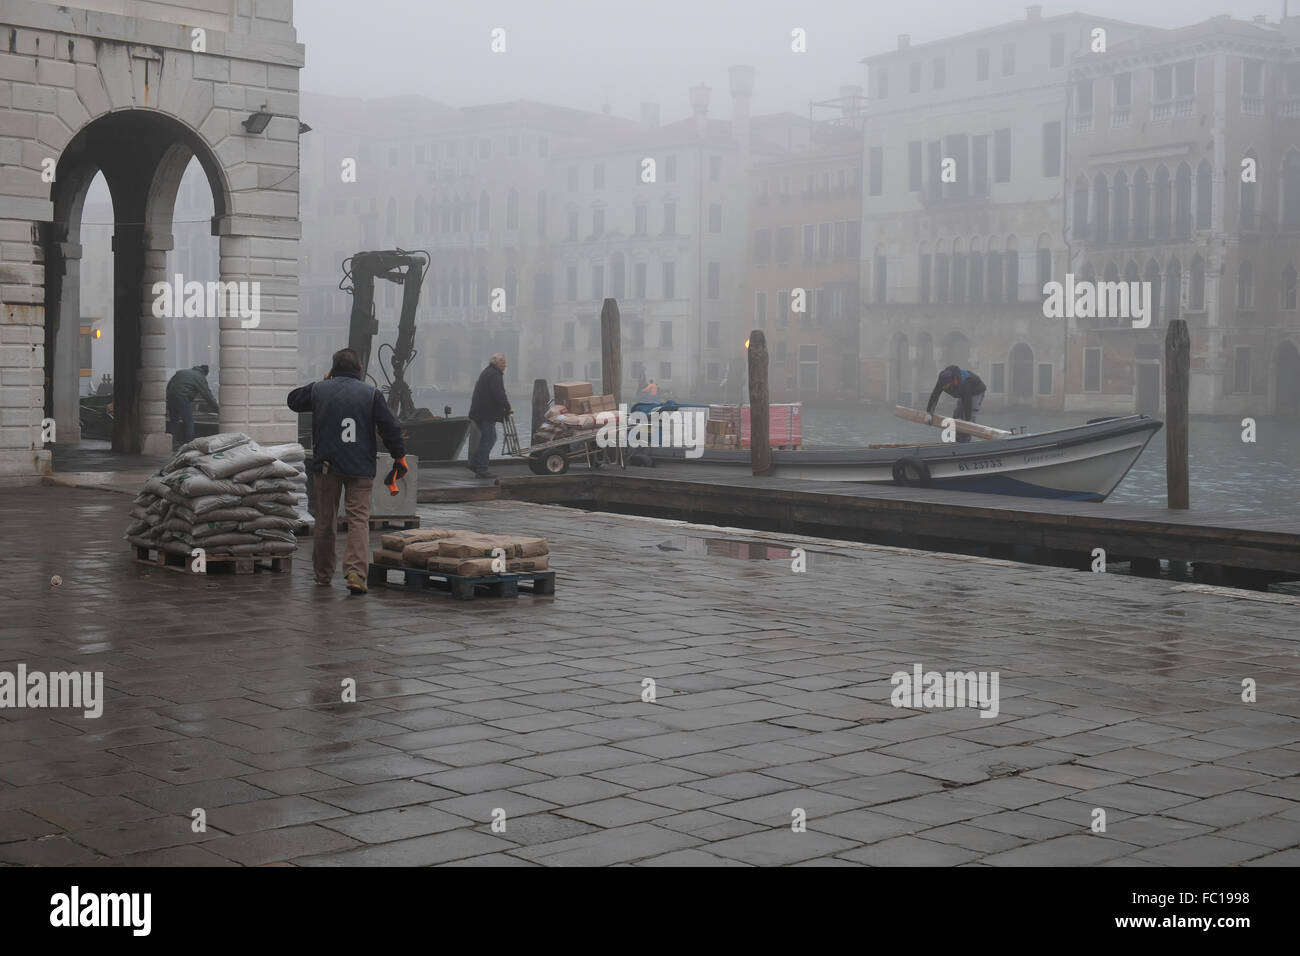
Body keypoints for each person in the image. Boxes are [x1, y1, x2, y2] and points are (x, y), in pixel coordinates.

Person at [288, 348, 407, 594]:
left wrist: (324, 381)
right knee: (358, 521)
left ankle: (323, 575)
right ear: (360, 369)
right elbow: (390, 428)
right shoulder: (371, 394)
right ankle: (355, 573)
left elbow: (293, 400)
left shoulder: (319, 390)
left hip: (326, 467)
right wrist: (399, 457)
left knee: (324, 521)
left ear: (333, 368)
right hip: (360, 467)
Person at [467, 353, 511, 479]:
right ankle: (481, 469)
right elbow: (499, 393)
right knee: (488, 440)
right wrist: (507, 407)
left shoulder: (488, 372)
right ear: (497, 363)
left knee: (490, 438)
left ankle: (475, 463)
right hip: (485, 414)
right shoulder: (495, 375)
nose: (505, 365)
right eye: (503, 362)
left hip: (480, 412)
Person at [925, 365, 987, 443]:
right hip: (963, 393)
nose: (943, 388)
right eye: (942, 386)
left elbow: (967, 403)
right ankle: (957, 440)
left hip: (976, 391)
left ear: (951, 382)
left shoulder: (964, 383)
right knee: (957, 413)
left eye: (945, 386)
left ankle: (965, 442)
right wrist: (929, 413)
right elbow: (935, 395)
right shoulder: (942, 381)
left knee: (970, 416)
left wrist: (967, 421)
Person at [166, 364, 218, 449]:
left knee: (174, 421)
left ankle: (173, 443)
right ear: (205, 373)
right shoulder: (200, 377)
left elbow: (169, 384)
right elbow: (207, 396)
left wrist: (168, 396)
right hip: (183, 398)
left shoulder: (182, 372)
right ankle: (189, 443)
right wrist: (218, 410)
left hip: (171, 396)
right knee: (189, 421)